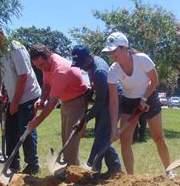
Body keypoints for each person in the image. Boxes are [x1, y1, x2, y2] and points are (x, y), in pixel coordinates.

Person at [102, 32, 172, 177]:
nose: (111, 54)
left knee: (158, 136)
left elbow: (155, 80)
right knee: (125, 139)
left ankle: (169, 171)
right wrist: (114, 126)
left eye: (114, 50)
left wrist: (145, 98)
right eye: (109, 51)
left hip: (149, 96)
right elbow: (114, 101)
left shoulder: (142, 60)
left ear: (124, 47)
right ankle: (130, 177)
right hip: (129, 102)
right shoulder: (113, 70)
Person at [27, 44, 90, 166]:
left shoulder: (60, 70)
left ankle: (72, 172)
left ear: (49, 56)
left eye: (42, 65)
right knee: (65, 137)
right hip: (66, 101)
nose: (41, 68)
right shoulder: (47, 66)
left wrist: (37, 121)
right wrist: (42, 99)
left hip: (78, 101)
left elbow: (52, 103)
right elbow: (47, 85)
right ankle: (70, 168)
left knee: (71, 140)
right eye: (37, 66)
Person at [70, 45, 122, 177]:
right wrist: (91, 93)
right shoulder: (91, 64)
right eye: (78, 64)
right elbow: (97, 91)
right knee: (103, 135)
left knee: (100, 134)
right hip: (105, 100)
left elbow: (99, 103)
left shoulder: (100, 71)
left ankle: (92, 170)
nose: (81, 67)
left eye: (82, 63)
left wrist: (84, 120)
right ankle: (115, 168)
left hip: (114, 100)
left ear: (88, 57)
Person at [0, 30, 42, 175]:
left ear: (1, 35)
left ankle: (32, 165)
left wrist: (15, 103)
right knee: (10, 130)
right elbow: (1, 72)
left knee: (26, 129)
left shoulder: (16, 49)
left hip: (28, 96)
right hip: (13, 96)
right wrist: (0, 90)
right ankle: (13, 163)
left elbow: (23, 77)